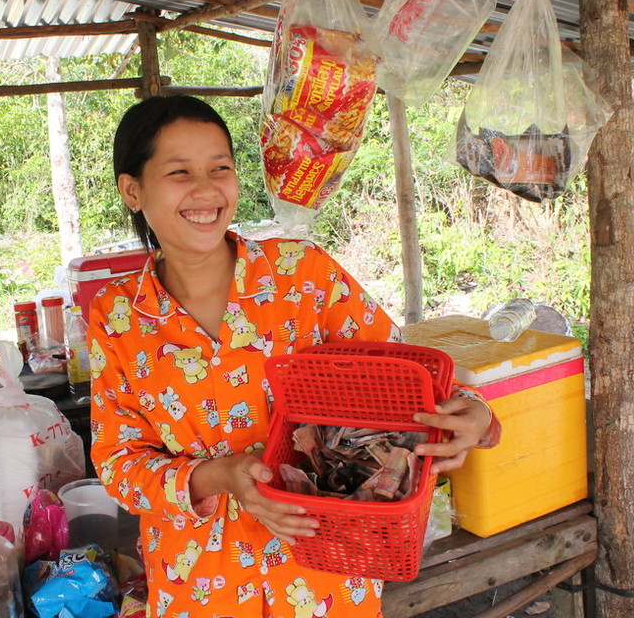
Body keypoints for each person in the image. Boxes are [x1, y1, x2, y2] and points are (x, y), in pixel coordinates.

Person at [88, 94, 498, 617]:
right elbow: (118, 459)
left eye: (220, 168)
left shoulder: (302, 276)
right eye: (179, 172)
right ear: (133, 190)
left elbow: (407, 375)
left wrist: (474, 415)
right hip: (198, 585)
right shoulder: (117, 315)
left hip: (324, 574)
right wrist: (218, 476)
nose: (206, 189)